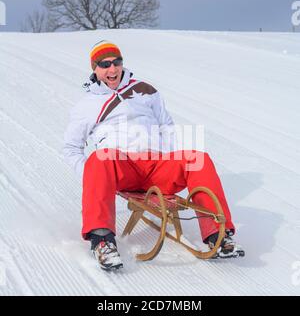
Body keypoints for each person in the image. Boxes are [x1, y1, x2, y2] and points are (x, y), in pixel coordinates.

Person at [63, 40, 244, 271]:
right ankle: (102, 241)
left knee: (198, 160)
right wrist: (93, 177)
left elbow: (166, 126)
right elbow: (70, 148)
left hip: (156, 167)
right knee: (100, 158)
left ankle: (219, 236)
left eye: (116, 62)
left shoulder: (145, 90)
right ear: (94, 68)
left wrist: (167, 158)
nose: (112, 69)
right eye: (105, 64)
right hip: (121, 168)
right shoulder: (86, 106)